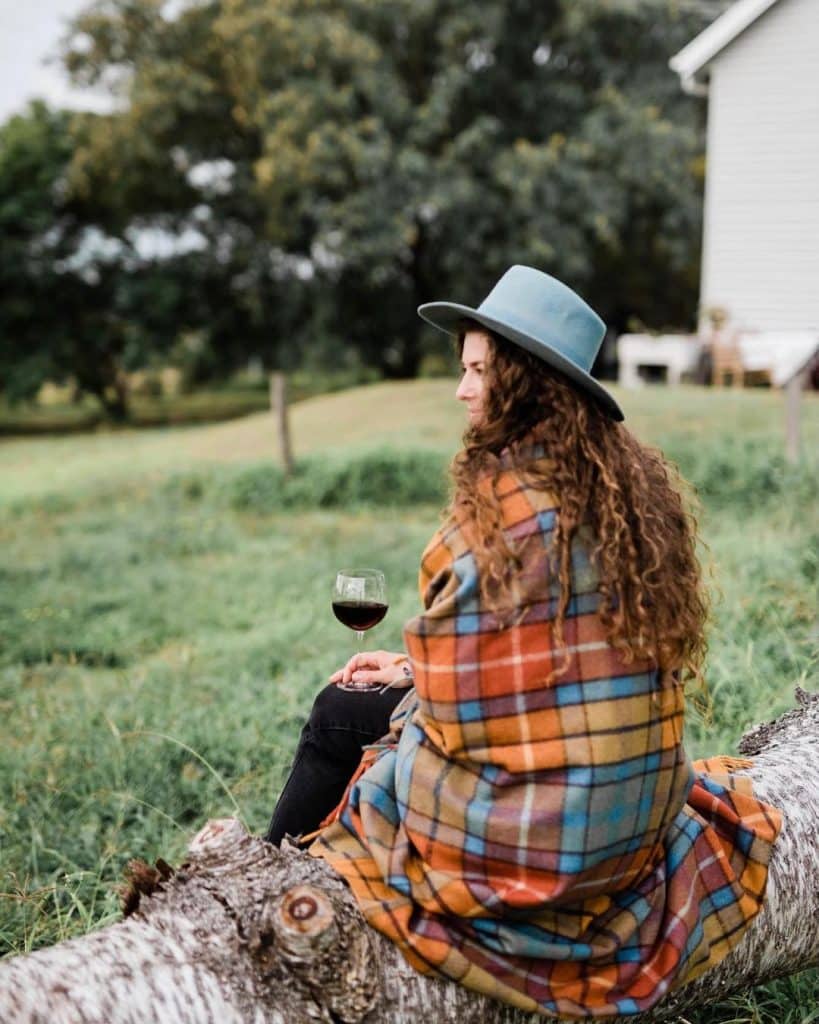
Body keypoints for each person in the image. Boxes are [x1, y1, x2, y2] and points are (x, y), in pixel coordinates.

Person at [265, 265, 781, 1018]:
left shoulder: (487, 524)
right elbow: (558, 662)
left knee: (344, 708)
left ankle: (260, 884)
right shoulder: (630, 504)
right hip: (629, 832)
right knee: (376, 699)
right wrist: (417, 667)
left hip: (524, 859)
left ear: (524, 383)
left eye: (477, 369)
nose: (462, 389)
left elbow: (454, 717)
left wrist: (416, 690)